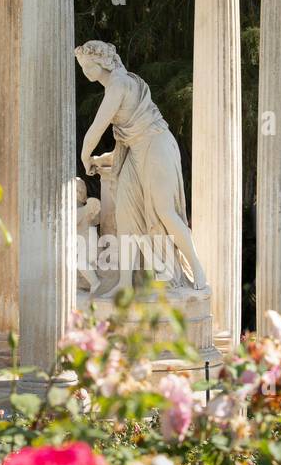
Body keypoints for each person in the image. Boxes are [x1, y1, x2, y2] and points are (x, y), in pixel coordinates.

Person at [75, 40, 207, 291]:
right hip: (137, 153)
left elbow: (96, 128)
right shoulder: (113, 87)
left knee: (165, 211)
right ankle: (125, 283)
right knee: (125, 215)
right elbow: (124, 143)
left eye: (87, 65)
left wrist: (85, 154)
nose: (84, 72)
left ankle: (196, 268)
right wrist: (99, 159)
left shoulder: (119, 83)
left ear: (102, 62)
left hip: (157, 144)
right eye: (81, 66)